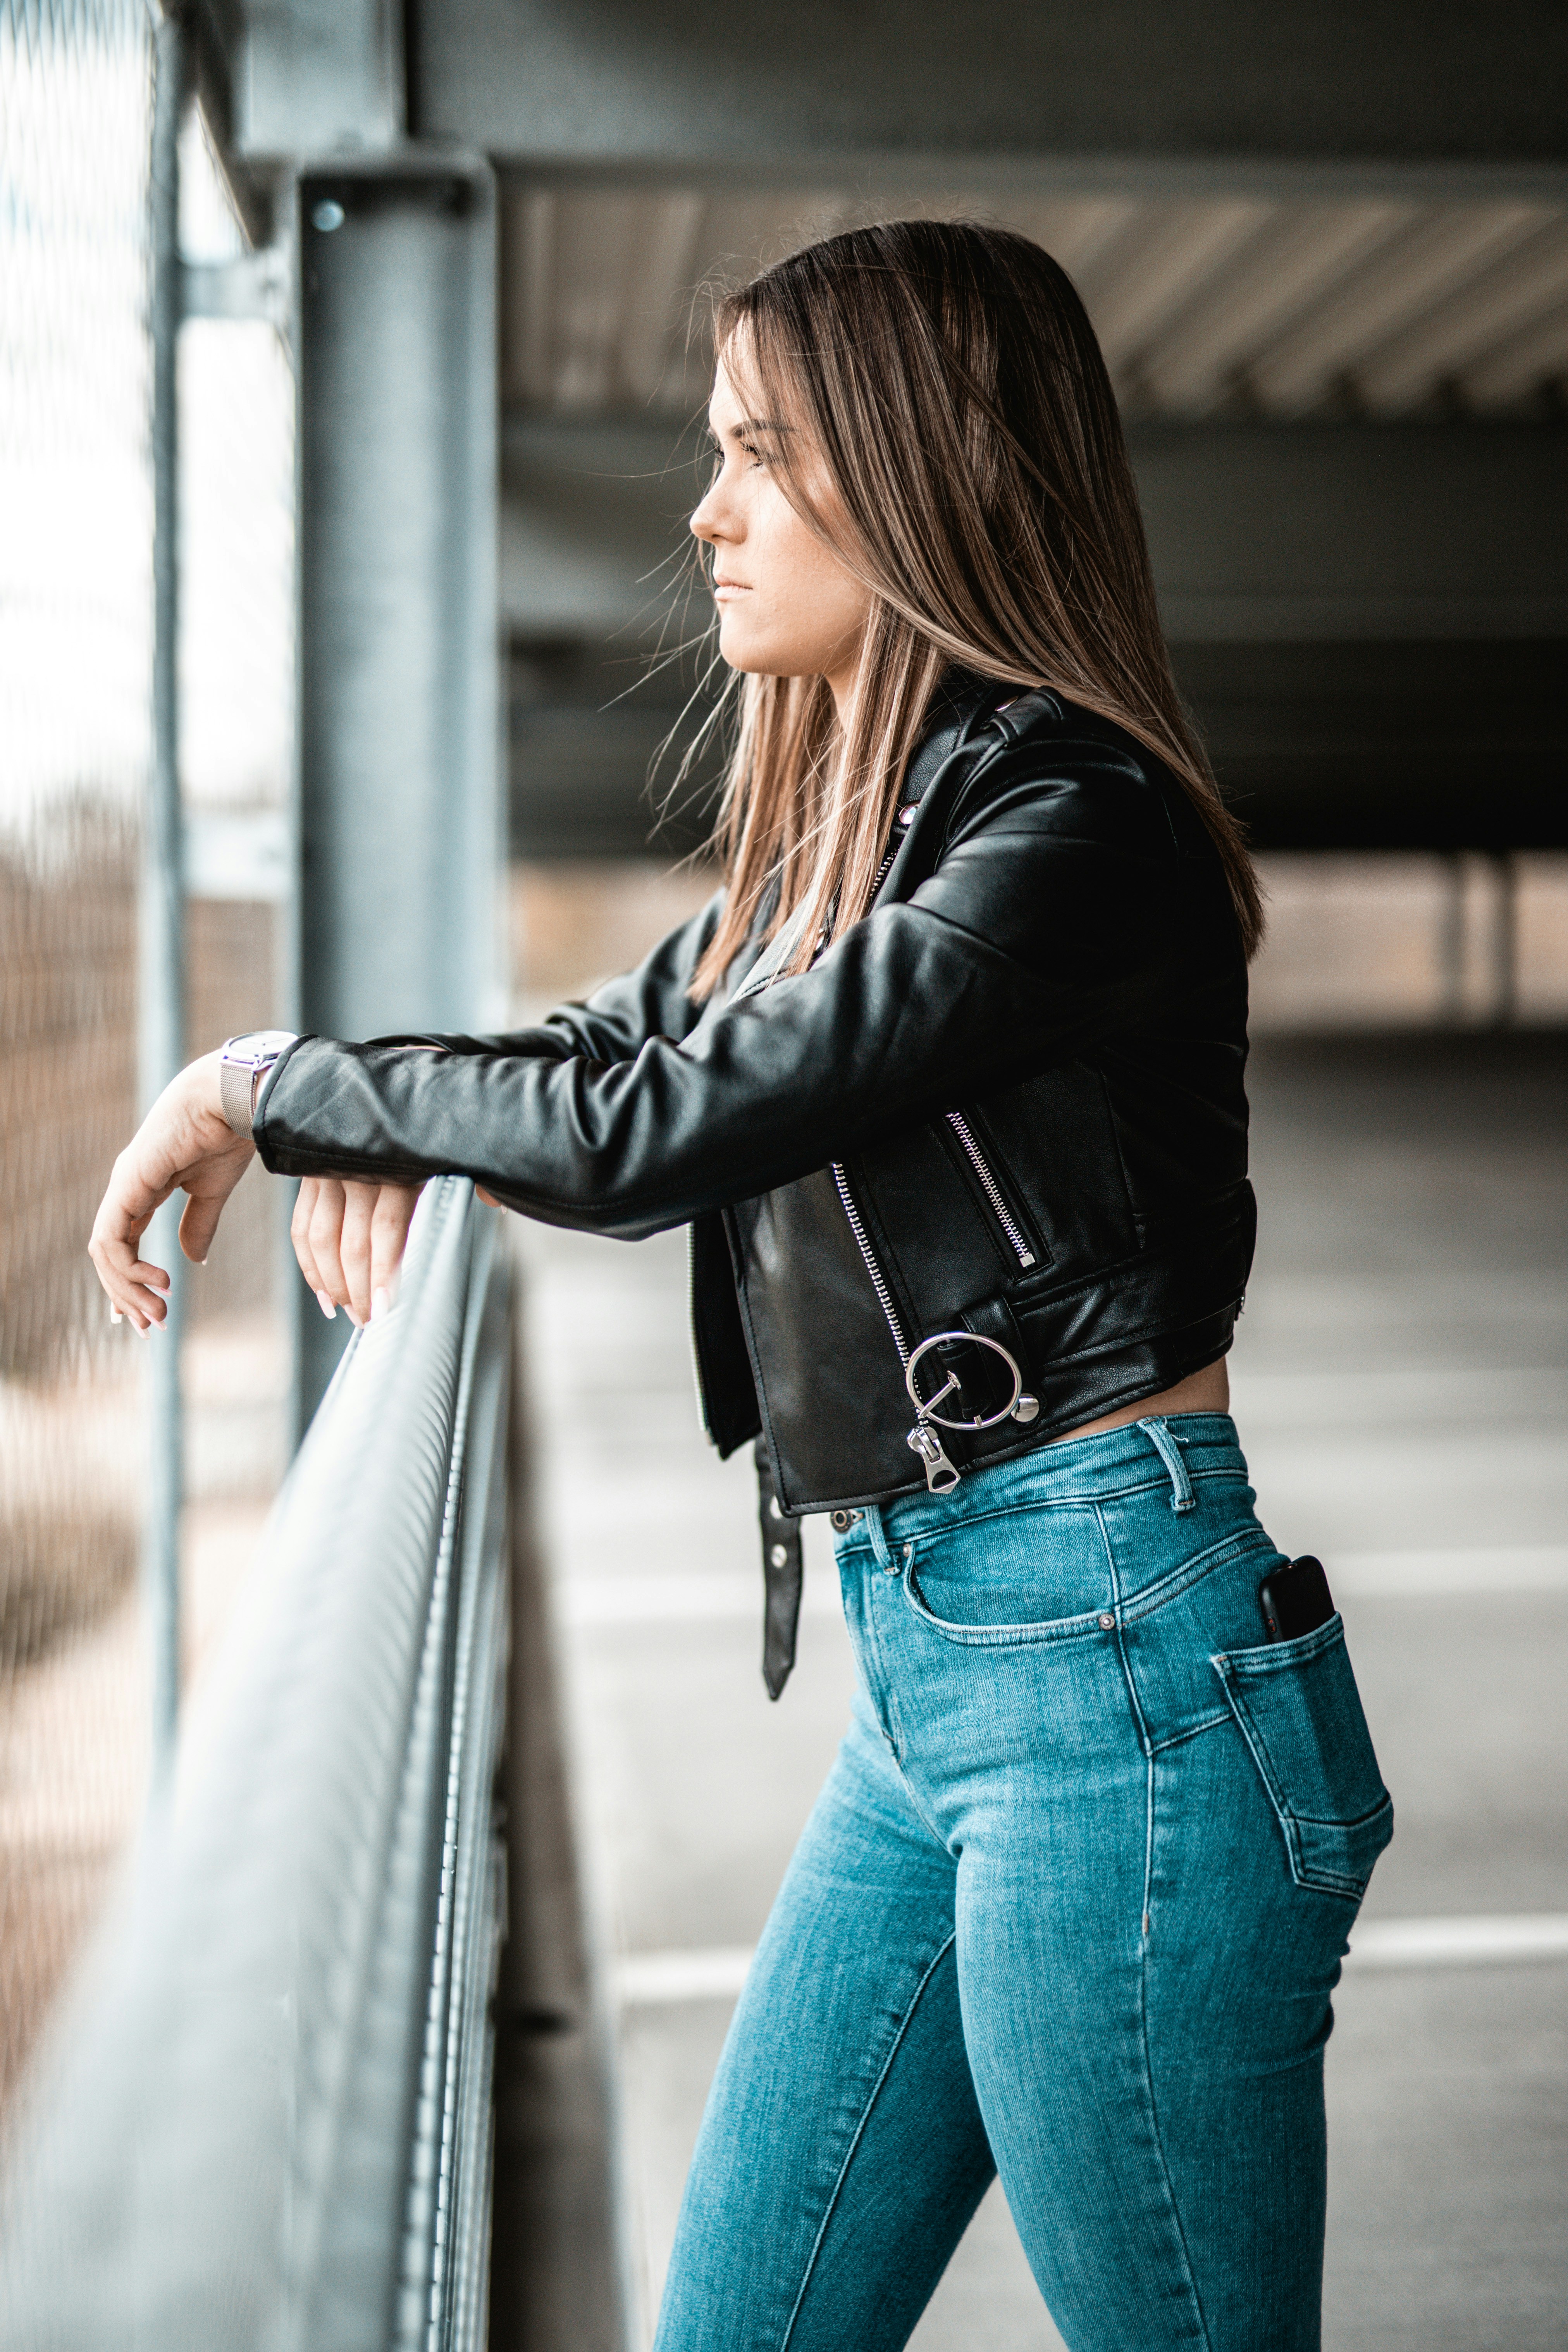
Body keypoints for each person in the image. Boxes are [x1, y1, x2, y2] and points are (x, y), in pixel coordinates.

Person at [90, 221, 1392, 2351]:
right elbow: (612, 1052)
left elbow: (661, 1129)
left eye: (762, 454)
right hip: (936, 1669)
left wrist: (270, 1081)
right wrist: (366, 1109)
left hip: (1114, 1686)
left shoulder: (1078, 828)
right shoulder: (836, 863)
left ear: (932, 460)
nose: (704, 510)